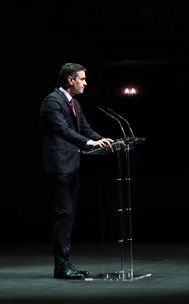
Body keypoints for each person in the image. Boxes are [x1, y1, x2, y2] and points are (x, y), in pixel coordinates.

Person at [40, 62, 114, 279]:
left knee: (69, 215)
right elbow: (62, 130)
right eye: (82, 79)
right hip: (60, 166)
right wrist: (88, 143)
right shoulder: (52, 101)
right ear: (70, 80)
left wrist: (103, 140)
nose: (85, 83)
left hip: (72, 165)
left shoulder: (75, 103)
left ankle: (65, 263)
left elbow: (85, 128)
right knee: (63, 214)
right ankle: (61, 266)